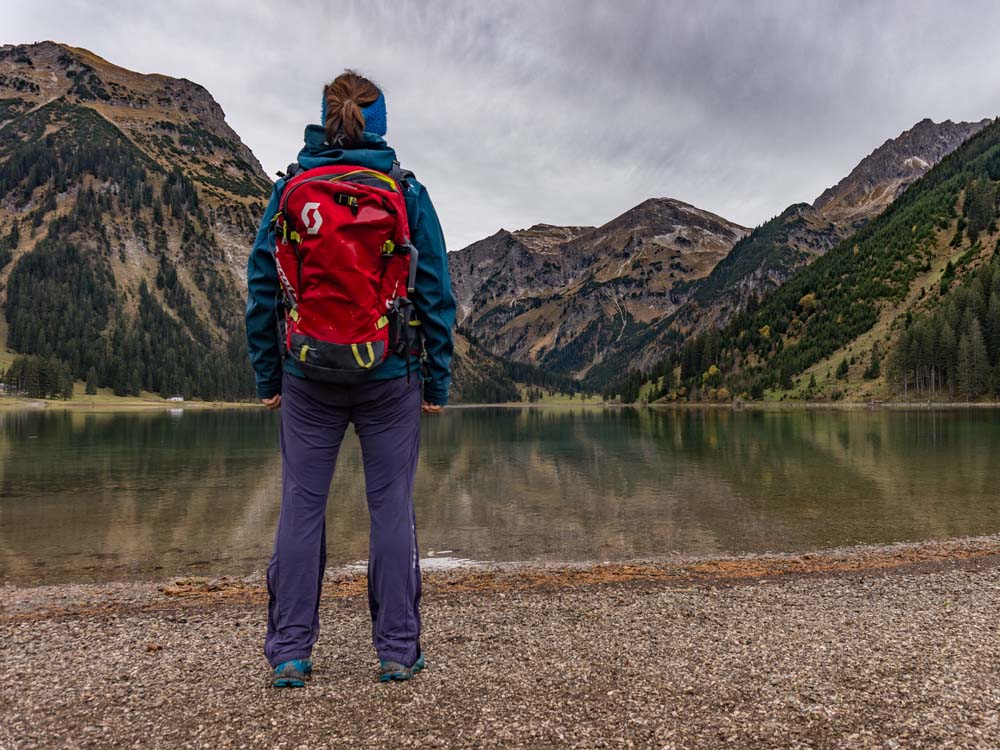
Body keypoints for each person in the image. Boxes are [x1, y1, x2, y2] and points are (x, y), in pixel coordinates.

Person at [245, 70, 455, 686]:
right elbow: (437, 293)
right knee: (390, 507)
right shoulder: (406, 193)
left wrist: (267, 375)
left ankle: (289, 652)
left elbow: (263, 289)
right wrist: (436, 383)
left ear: (324, 118)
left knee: (301, 506)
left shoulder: (291, 191)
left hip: (306, 371)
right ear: (381, 123)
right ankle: (396, 650)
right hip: (391, 372)